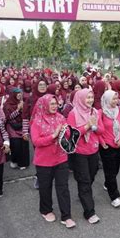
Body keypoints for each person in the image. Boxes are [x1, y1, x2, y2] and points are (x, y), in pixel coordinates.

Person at [30, 94, 76, 228]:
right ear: (44, 105)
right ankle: (46, 210)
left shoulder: (61, 117)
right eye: (51, 104)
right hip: (43, 161)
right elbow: (36, 141)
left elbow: (68, 135)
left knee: (63, 187)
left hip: (61, 158)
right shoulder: (37, 121)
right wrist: (53, 136)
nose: (54, 106)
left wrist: (67, 131)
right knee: (45, 187)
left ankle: (66, 216)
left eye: (55, 103)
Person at [66, 89, 104, 224]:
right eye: (87, 98)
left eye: (92, 97)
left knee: (91, 176)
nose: (90, 100)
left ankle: (83, 193)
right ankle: (89, 212)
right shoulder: (73, 114)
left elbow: (101, 130)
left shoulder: (95, 112)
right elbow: (70, 134)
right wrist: (87, 126)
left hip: (93, 150)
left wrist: (94, 127)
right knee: (85, 180)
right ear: (81, 98)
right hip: (79, 152)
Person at [99, 90, 120, 208]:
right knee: (110, 171)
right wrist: (102, 142)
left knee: (115, 169)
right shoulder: (101, 112)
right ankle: (114, 196)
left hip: (118, 145)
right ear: (106, 99)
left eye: (117, 99)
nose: (116, 101)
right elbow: (98, 130)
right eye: (113, 99)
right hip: (106, 146)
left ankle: (108, 183)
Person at [4, 88, 29, 170]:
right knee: (16, 145)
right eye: (17, 93)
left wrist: (24, 108)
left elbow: (27, 115)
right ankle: (14, 161)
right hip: (12, 127)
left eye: (20, 93)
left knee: (24, 144)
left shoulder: (23, 102)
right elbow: (8, 117)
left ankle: (22, 163)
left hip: (22, 126)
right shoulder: (8, 104)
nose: (19, 95)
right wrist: (18, 110)